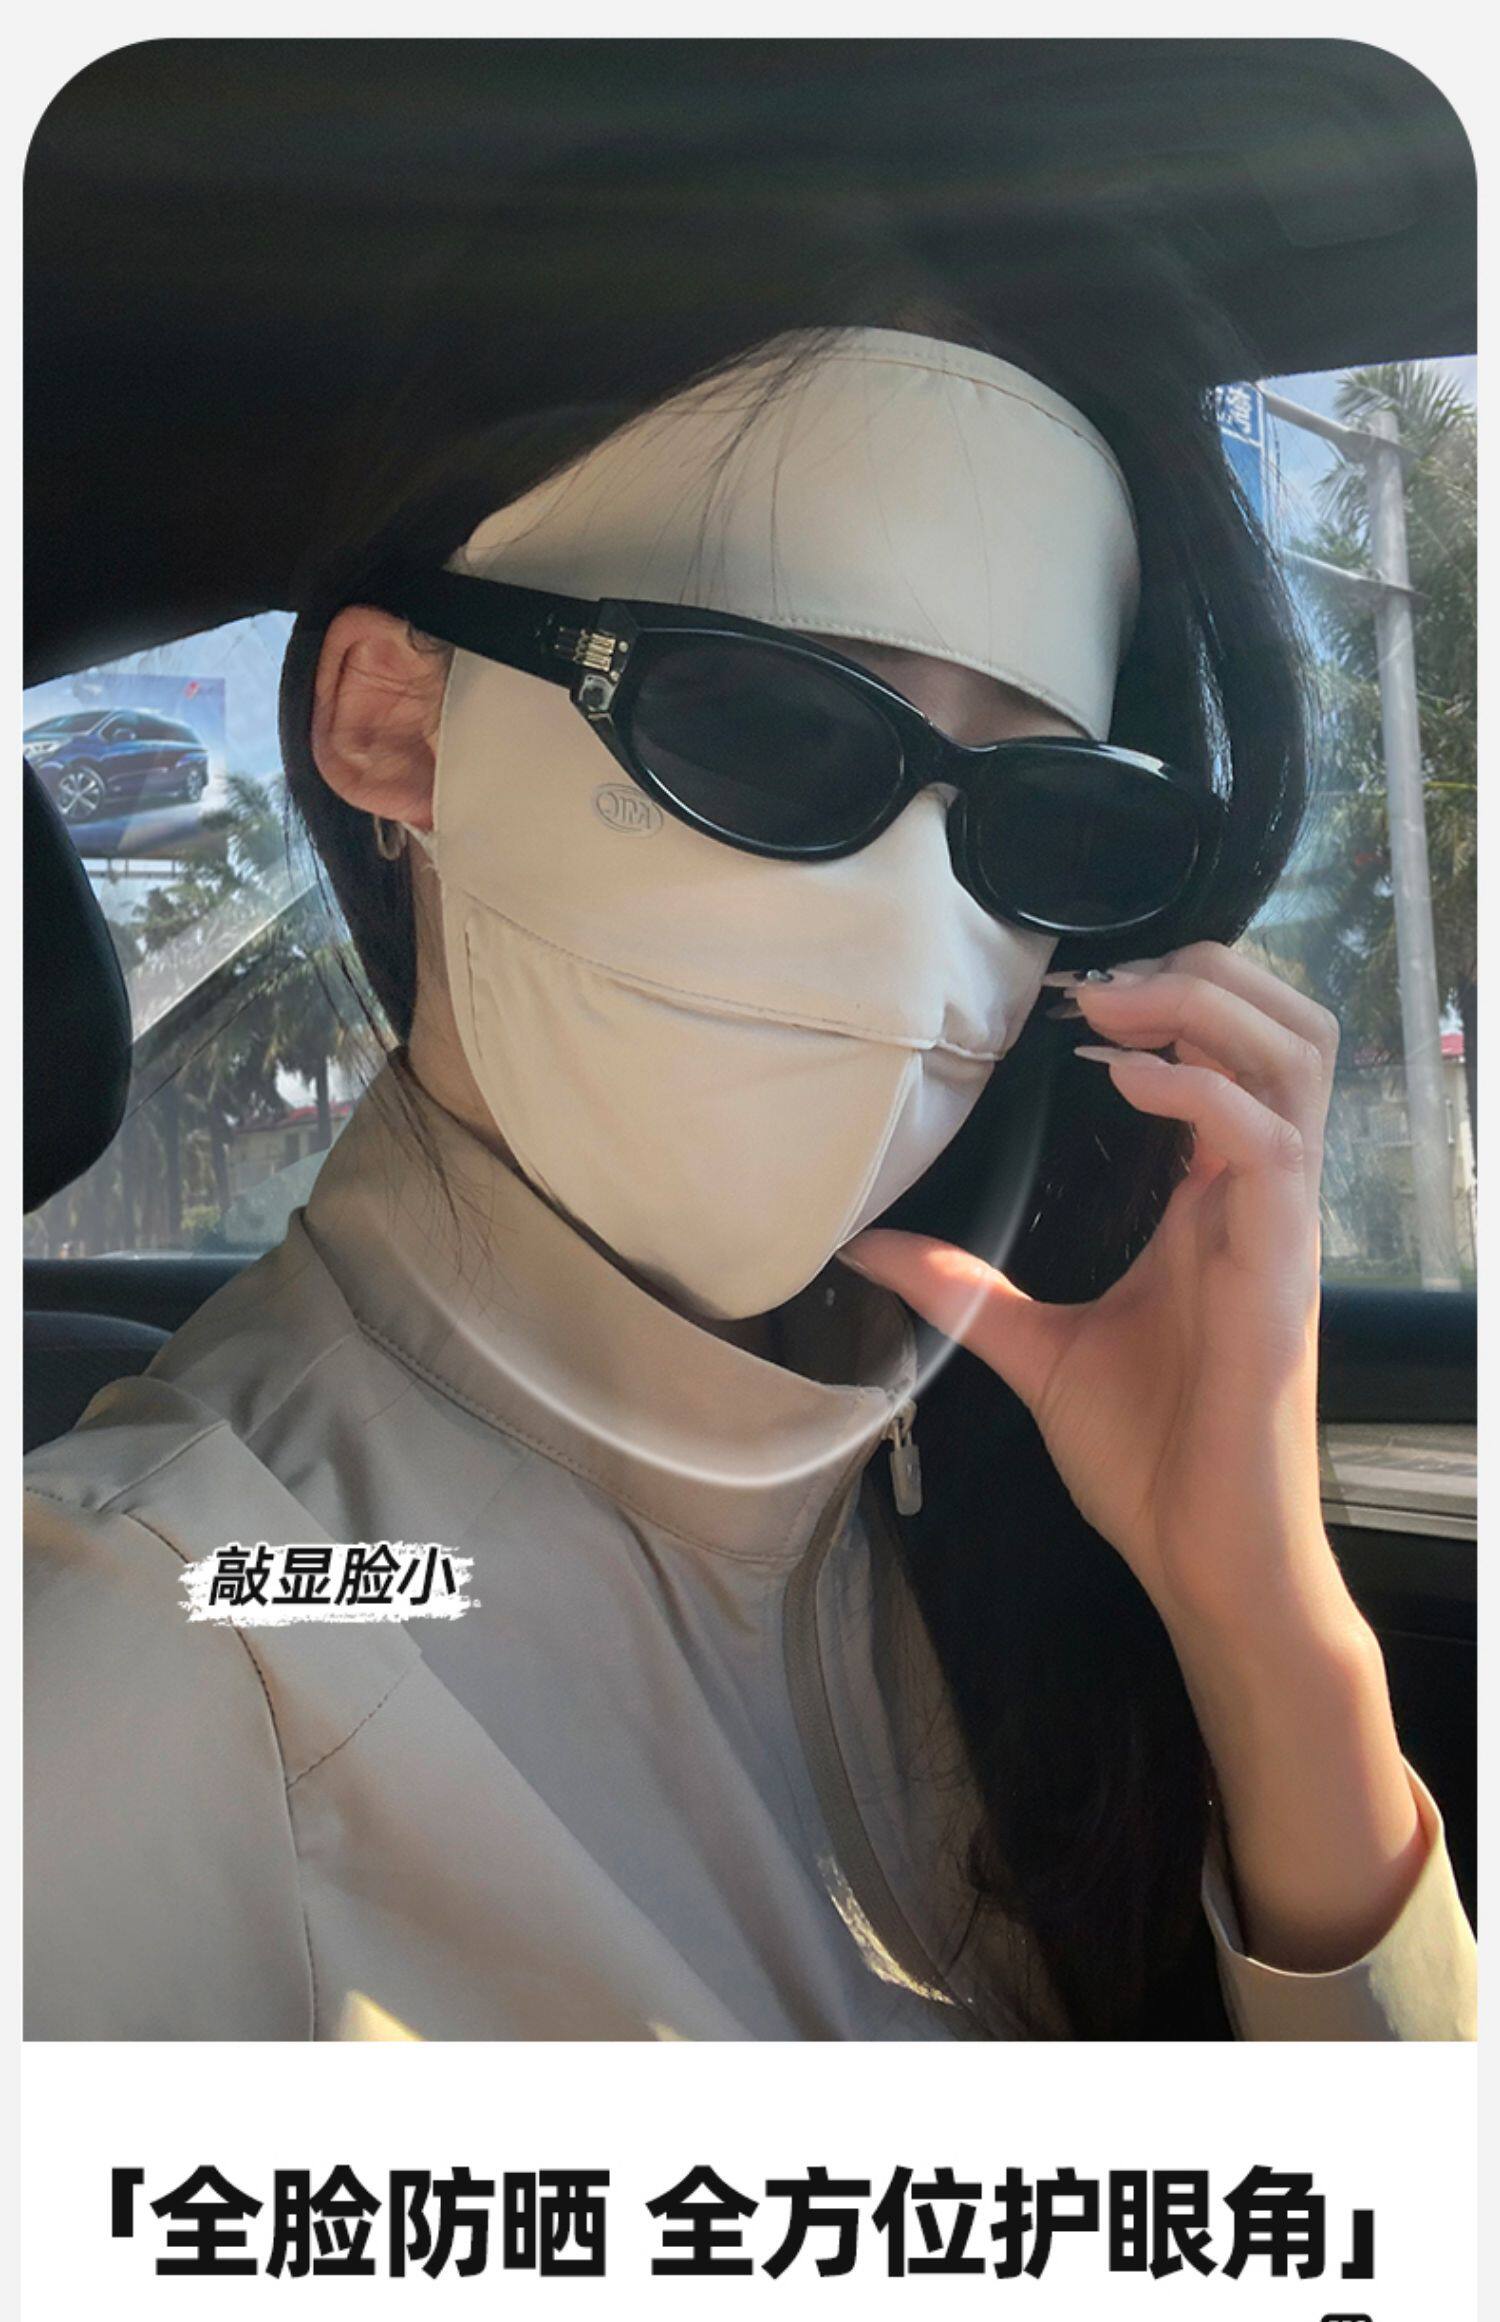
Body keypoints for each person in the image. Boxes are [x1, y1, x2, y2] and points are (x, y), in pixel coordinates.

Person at [24, 228, 1476, 2041]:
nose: (912, 932)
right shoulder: (143, 1649)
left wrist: (1256, 1604)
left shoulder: (974, 1479)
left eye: (1045, 821)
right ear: (397, 724)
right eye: (768, 729)